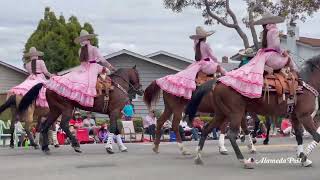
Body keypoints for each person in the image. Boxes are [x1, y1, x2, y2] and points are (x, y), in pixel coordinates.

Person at [46, 29, 127, 152]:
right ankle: (105, 98)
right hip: (94, 68)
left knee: (78, 84)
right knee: (106, 76)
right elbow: (102, 60)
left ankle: (100, 98)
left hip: (83, 69)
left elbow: (83, 63)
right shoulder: (93, 48)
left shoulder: (81, 50)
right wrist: (110, 66)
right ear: (89, 39)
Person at [219, 12, 297, 98]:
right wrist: (283, 52)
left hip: (265, 56)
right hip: (273, 58)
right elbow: (276, 46)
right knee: (288, 58)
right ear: (273, 21)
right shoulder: (274, 30)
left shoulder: (265, 31)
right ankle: (297, 76)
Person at [156, 26, 226, 100]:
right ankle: (225, 83)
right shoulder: (206, 45)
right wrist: (217, 62)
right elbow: (212, 56)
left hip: (198, 64)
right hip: (206, 63)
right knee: (221, 69)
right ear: (205, 37)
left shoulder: (196, 45)